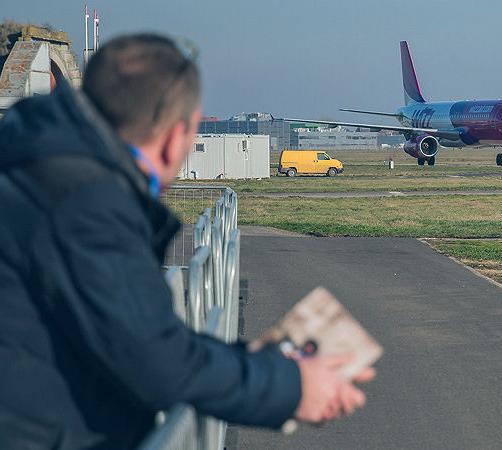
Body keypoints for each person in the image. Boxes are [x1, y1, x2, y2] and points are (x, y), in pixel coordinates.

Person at [0, 33, 374, 449]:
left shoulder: (38, 168)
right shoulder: (85, 202)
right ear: (178, 135)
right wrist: (292, 386)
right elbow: (156, 360)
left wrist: (268, 368)